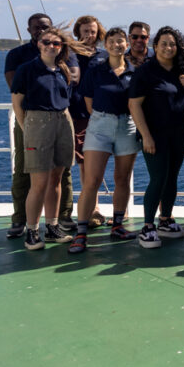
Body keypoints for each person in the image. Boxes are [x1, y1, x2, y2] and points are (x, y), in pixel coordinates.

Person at [3, 13, 79, 238]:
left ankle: (53, 225)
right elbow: (17, 101)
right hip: (36, 122)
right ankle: (30, 229)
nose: (50, 45)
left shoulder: (63, 68)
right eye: (46, 42)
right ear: (36, 40)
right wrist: (27, 127)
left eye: (56, 42)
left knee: (57, 177)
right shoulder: (25, 66)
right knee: (37, 180)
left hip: (62, 121)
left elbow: (69, 89)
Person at [68, 26, 139, 253]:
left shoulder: (134, 72)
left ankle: (117, 225)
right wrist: (103, 118)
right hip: (99, 125)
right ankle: (81, 233)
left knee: (122, 178)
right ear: (105, 45)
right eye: (112, 41)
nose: (117, 45)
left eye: (121, 41)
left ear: (126, 45)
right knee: (92, 180)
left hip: (127, 125)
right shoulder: (96, 70)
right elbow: (88, 101)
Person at [128, 26, 184, 249]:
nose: (168, 47)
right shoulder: (146, 72)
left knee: (172, 177)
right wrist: (146, 135)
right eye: (164, 43)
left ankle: (165, 219)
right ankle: (148, 226)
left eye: (173, 44)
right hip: (154, 134)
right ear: (155, 46)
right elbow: (134, 105)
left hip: (178, 132)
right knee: (158, 178)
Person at [71, 15, 109, 228]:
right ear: (79, 32)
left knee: (91, 164)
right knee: (82, 164)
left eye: (93, 31)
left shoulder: (103, 55)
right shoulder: (69, 54)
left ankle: (92, 209)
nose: (89, 35)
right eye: (85, 31)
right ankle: (87, 209)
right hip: (76, 114)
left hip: (99, 114)